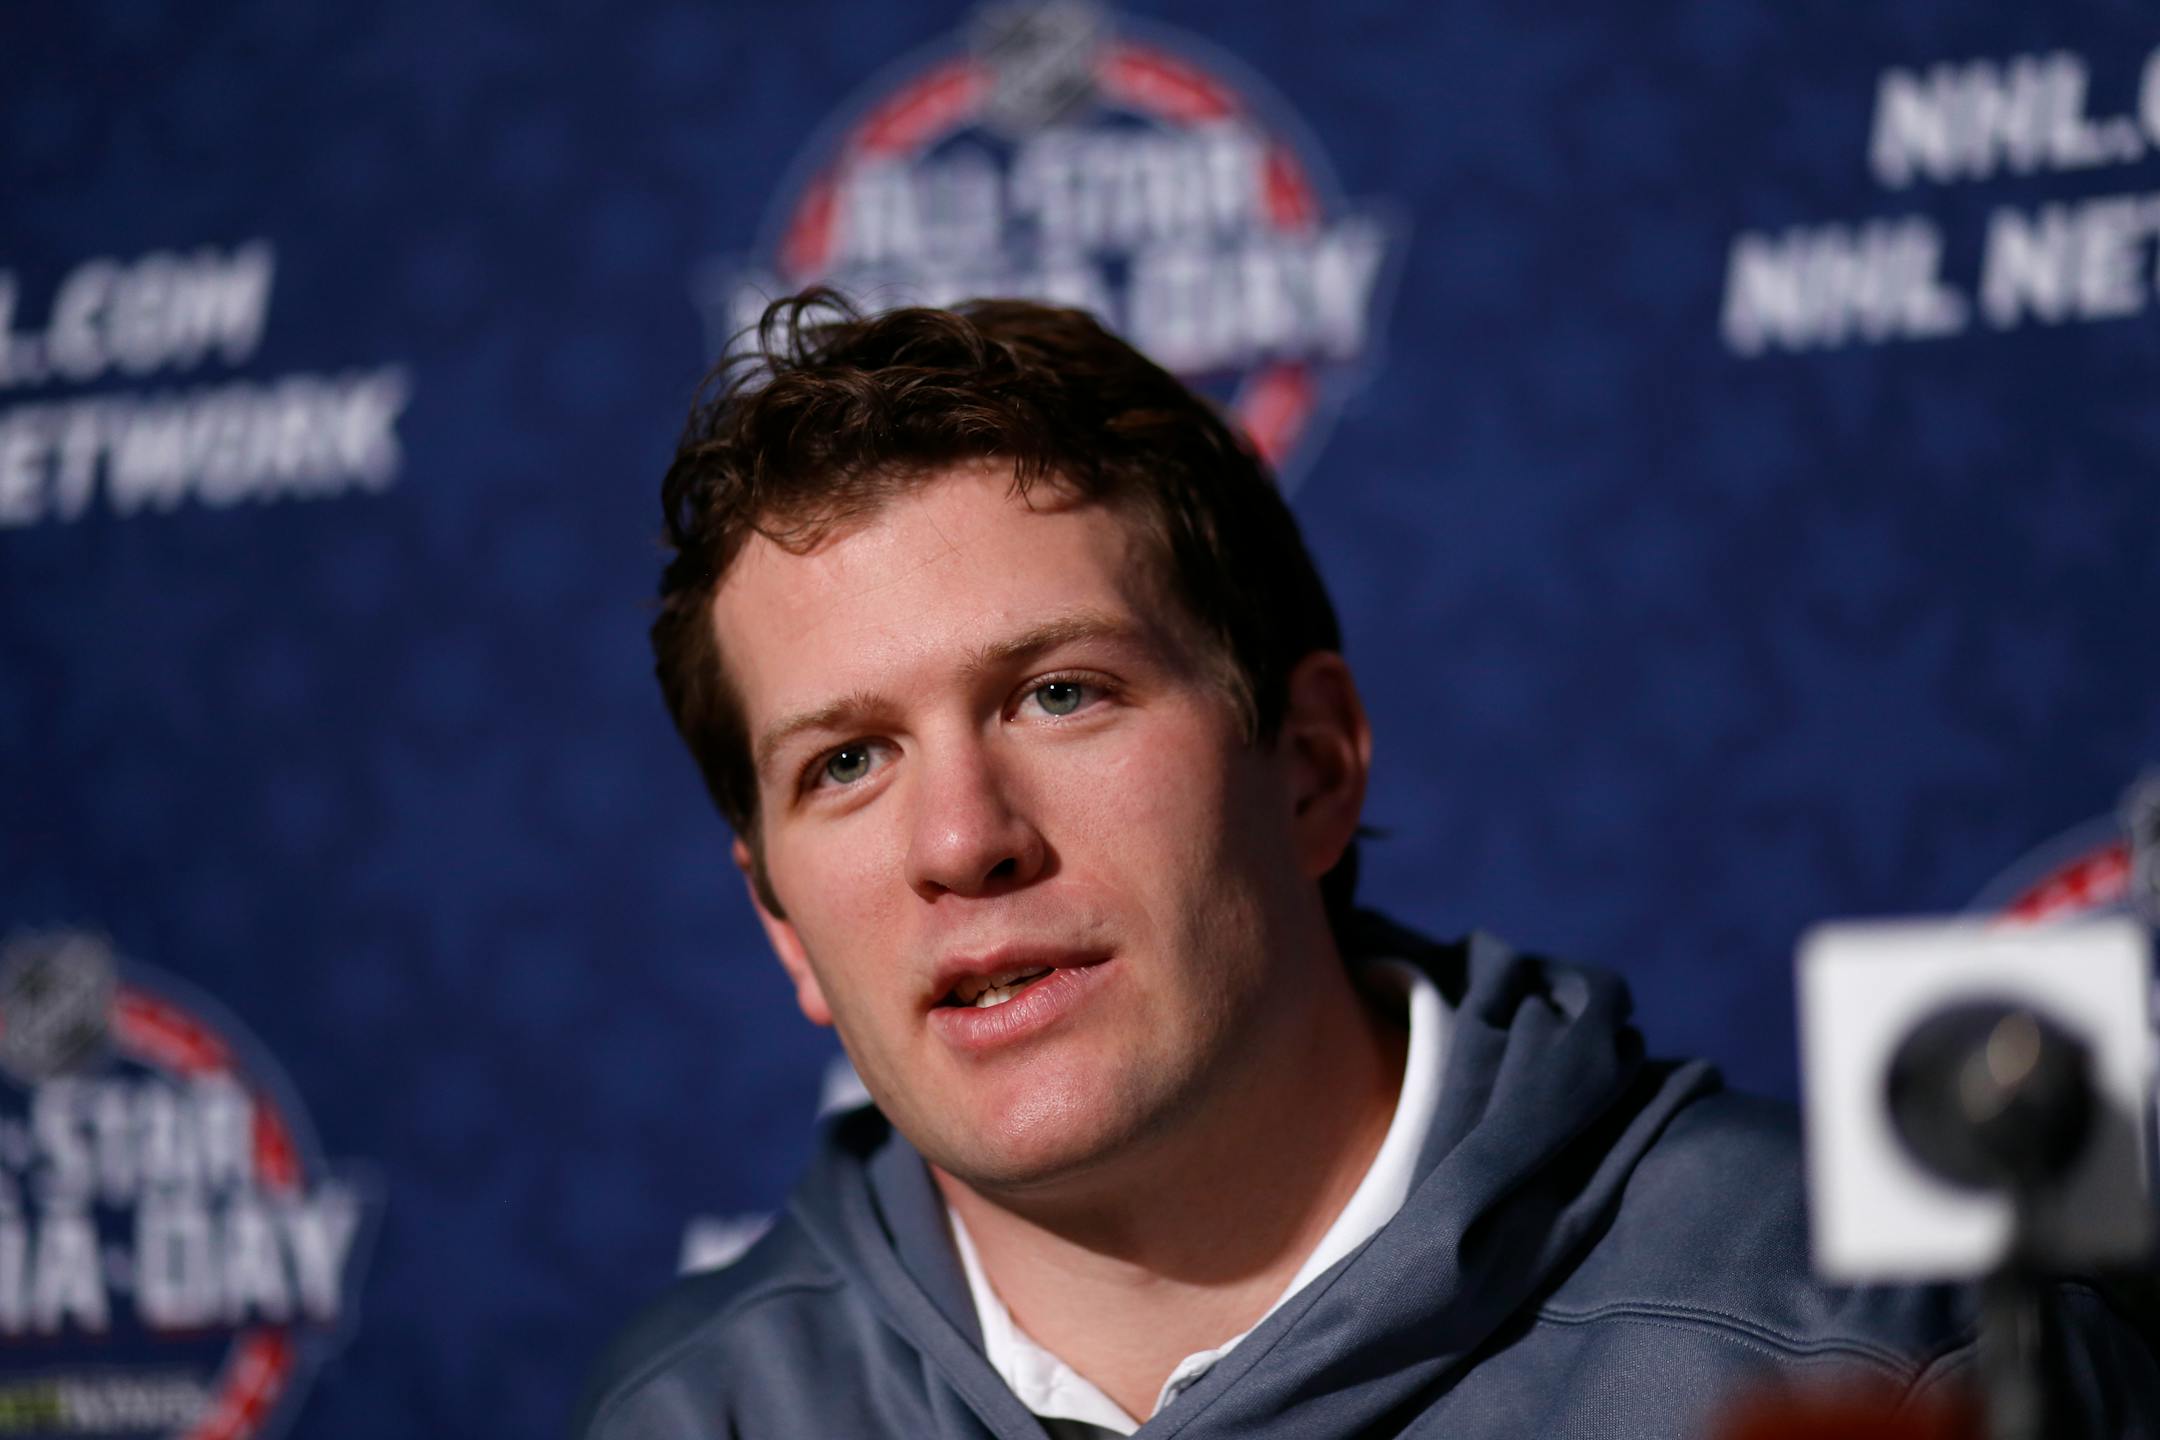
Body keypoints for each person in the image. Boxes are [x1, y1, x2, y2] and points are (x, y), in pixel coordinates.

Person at [575, 291, 2157, 1439]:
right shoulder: (694, 1414)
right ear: (781, 924)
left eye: (1061, 693)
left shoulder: (1857, 1353)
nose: (962, 839)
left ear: (1314, 760)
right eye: (846, 763)